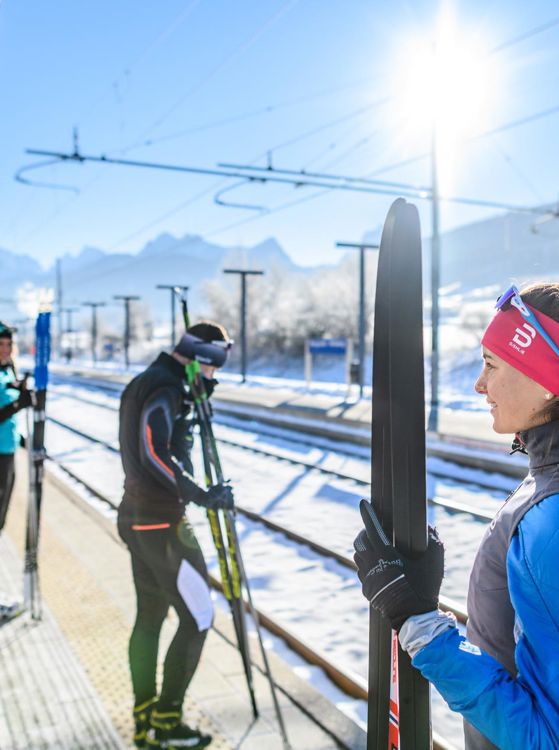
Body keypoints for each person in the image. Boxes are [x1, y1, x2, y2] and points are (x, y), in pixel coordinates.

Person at [353, 283, 559, 749]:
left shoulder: (552, 517)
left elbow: (544, 737)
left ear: (546, 380)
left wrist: (420, 622)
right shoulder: (545, 481)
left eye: (492, 364)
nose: (479, 384)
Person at [118, 321, 234, 750]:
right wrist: (201, 494)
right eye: (215, 365)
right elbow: (153, 452)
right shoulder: (165, 387)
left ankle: (145, 719)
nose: (215, 376)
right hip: (161, 524)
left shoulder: (150, 381)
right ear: (202, 358)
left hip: (136, 516)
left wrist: (194, 400)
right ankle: (168, 723)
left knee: (149, 619)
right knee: (199, 617)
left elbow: (159, 443)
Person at [0, 321, 32, 534]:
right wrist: (17, 404)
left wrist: (22, 439)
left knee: (3, 505)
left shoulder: (8, 369)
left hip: (8, 448)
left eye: (8, 344)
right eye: (0, 344)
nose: (5, 348)